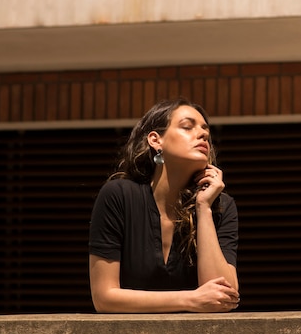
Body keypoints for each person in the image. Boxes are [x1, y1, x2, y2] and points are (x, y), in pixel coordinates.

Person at [88, 97, 239, 313]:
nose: (203, 133)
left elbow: (223, 296)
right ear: (156, 141)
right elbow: (104, 297)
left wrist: (204, 208)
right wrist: (191, 300)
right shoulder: (119, 195)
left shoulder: (221, 205)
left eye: (206, 130)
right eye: (187, 127)